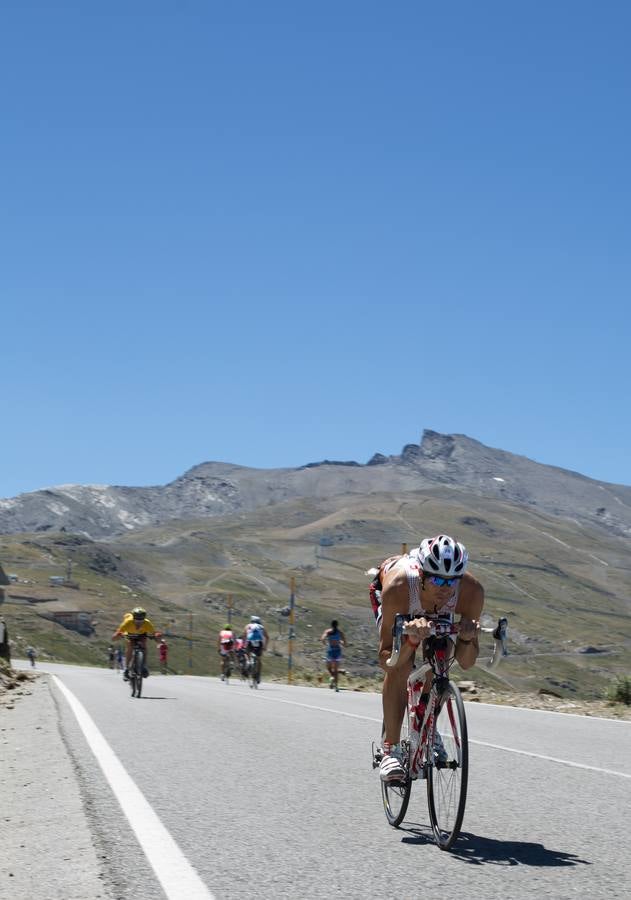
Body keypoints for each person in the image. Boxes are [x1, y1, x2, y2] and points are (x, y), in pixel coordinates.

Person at [369, 534, 484, 782]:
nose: (444, 588)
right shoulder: (398, 586)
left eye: (451, 581)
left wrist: (466, 638)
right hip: (400, 601)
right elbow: (385, 658)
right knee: (400, 666)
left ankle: (426, 727)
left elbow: (466, 662)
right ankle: (390, 749)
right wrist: (409, 641)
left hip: (434, 614)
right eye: (436, 579)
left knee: (441, 659)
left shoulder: (471, 591)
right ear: (421, 575)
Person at [112, 607, 159, 681]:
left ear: (144, 619)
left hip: (142, 635)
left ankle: (143, 666)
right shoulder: (128, 622)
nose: (139, 623)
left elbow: (154, 633)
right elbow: (117, 633)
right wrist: (117, 636)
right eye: (136, 621)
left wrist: (157, 637)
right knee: (130, 646)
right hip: (130, 635)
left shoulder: (147, 623)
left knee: (144, 646)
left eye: (141, 621)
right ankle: (127, 669)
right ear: (133, 618)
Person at [320, 620, 346, 692]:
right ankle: (336, 686)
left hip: (330, 651)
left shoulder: (328, 632)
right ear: (337, 625)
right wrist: (342, 643)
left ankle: (332, 677)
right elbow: (345, 642)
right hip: (337, 651)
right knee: (335, 668)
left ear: (331, 625)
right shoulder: (340, 632)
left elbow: (322, 639)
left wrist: (325, 643)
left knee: (329, 668)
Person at [243, 615, 268, 684]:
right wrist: (265, 646)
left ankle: (248, 662)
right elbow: (267, 637)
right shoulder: (261, 627)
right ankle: (258, 676)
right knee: (259, 659)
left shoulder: (247, 626)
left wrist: (243, 645)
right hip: (259, 643)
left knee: (246, 653)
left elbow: (244, 636)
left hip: (250, 642)